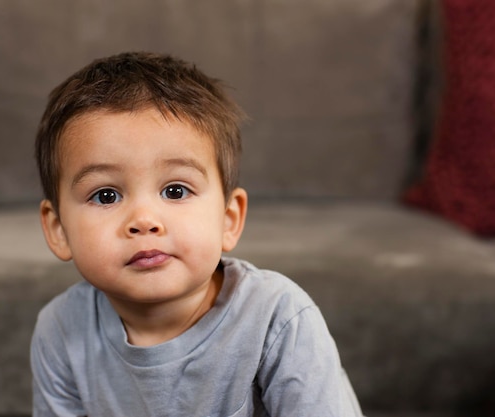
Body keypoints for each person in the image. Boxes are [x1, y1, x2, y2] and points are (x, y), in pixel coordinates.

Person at [31, 51, 364, 417]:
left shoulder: (277, 318)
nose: (143, 220)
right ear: (58, 229)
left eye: (175, 190)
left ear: (228, 219)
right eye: (106, 195)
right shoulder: (61, 329)